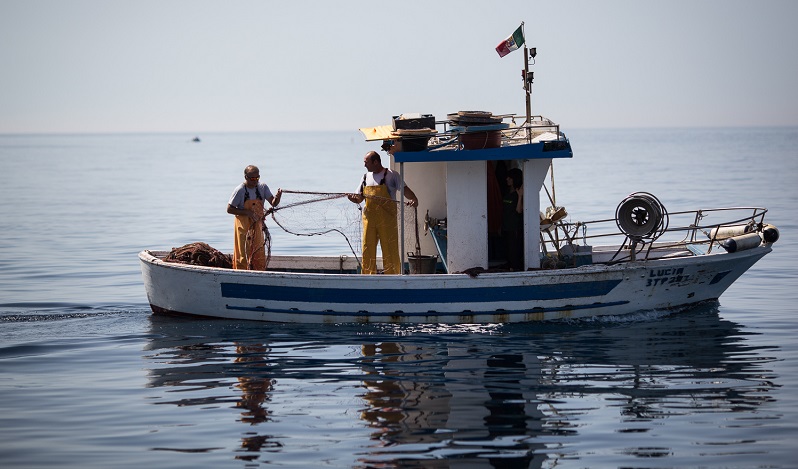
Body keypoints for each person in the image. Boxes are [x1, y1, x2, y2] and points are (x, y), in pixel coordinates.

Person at [348, 150, 418, 274]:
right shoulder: (365, 177)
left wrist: (413, 198)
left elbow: (405, 190)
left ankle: (393, 275)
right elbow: (359, 198)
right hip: (369, 220)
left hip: (387, 219)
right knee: (367, 248)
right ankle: (367, 276)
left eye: (366, 162)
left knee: (389, 248)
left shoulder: (392, 175)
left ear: (376, 162)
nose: (364, 165)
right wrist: (353, 199)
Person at [227, 165, 282, 270]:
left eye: (257, 178)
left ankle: (258, 272)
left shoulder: (263, 187)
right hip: (243, 226)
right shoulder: (240, 190)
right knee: (243, 252)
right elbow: (229, 209)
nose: (255, 180)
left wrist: (277, 198)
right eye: (252, 178)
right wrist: (248, 212)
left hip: (257, 225)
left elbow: (273, 203)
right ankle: (241, 272)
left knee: (258, 252)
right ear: (246, 177)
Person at [502, 167, 524, 271]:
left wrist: (520, 197)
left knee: (514, 250)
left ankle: (515, 269)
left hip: (515, 227)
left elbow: (519, 210)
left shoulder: (518, 193)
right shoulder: (507, 192)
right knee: (506, 249)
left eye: (510, 178)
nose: (507, 179)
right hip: (506, 226)